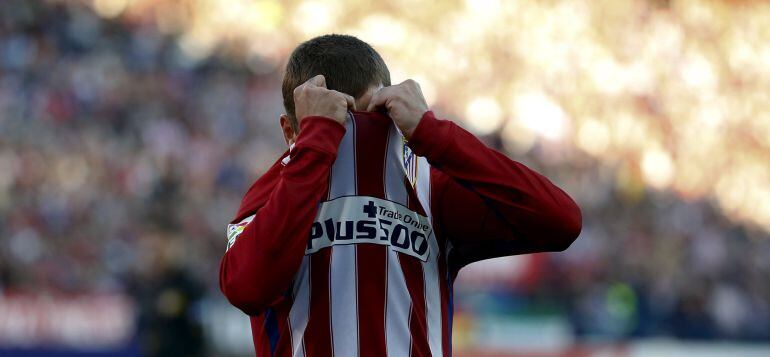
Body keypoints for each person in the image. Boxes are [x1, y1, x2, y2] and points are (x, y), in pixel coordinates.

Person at [219, 34, 582, 357]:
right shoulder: (272, 191)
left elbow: (560, 221)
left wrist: (432, 131)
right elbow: (246, 288)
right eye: (338, 122)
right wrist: (316, 145)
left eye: (372, 121)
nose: (356, 139)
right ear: (293, 128)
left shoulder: (431, 188)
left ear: (391, 110)